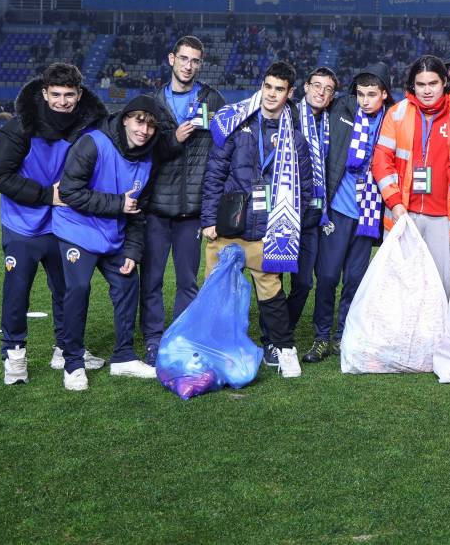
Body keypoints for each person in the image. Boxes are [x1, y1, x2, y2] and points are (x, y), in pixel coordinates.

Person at [0, 62, 108, 385]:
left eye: (69, 94)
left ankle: (64, 349)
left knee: (67, 289)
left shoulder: (89, 125)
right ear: (44, 93)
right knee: (18, 290)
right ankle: (14, 355)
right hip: (23, 223)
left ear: (79, 94)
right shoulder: (20, 126)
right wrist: (45, 195)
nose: (63, 101)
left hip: (66, 222)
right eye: (56, 94)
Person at [200, 62, 316, 377]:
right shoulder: (238, 127)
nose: (272, 94)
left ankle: (284, 349)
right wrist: (209, 219)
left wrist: (286, 227)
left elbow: (304, 190)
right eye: (268, 87)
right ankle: (211, 349)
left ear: (289, 93)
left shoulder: (296, 139)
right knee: (216, 292)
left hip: (268, 232)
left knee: (272, 294)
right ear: (261, 87)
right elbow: (214, 174)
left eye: (279, 89)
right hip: (228, 227)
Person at [52, 96, 161, 391]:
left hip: (114, 237)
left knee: (127, 284)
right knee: (78, 288)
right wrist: (117, 204)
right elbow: (69, 192)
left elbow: (139, 210)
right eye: (139, 121)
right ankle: (72, 362)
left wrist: (132, 250)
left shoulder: (149, 158)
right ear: (125, 118)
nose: (144, 130)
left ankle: (124, 356)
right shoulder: (93, 143)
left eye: (150, 126)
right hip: (77, 230)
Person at [139, 35, 227, 364]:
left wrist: (213, 207)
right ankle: (152, 339)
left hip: (192, 210)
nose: (189, 66)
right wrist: (172, 140)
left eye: (196, 61)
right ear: (171, 59)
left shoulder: (211, 100)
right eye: (184, 59)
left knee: (188, 281)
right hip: (157, 209)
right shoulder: (153, 103)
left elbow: (223, 151)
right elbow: (142, 150)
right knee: (152, 280)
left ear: (200, 64)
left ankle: (182, 338)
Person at [303, 64, 393, 363]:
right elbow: (310, 105)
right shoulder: (342, 106)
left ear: (384, 94)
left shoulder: (393, 119)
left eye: (371, 95)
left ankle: (344, 335)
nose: (364, 101)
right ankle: (321, 336)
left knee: (355, 279)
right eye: (360, 94)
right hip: (339, 209)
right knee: (327, 276)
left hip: (369, 212)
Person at [373, 55, 450, 295]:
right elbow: (381, 161)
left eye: (433, 84)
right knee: (401, 285)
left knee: (442, 287)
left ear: (444, 83)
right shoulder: (397, 113)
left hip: (445, 217)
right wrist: (394, 203)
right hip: (405, 213)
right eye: (421, 84)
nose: (427, 91)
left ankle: (441, 333)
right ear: (412, 85)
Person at [288, 66, 339, 332]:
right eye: (317, 86)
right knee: (270, 277)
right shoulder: (289, 115)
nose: (321, 92)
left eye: (328, 89)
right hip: (287, 209)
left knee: (304, 281)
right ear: (306, 87)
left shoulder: (332, 121)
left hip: (314, 213)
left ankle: (282, 329)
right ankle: (272, 333)